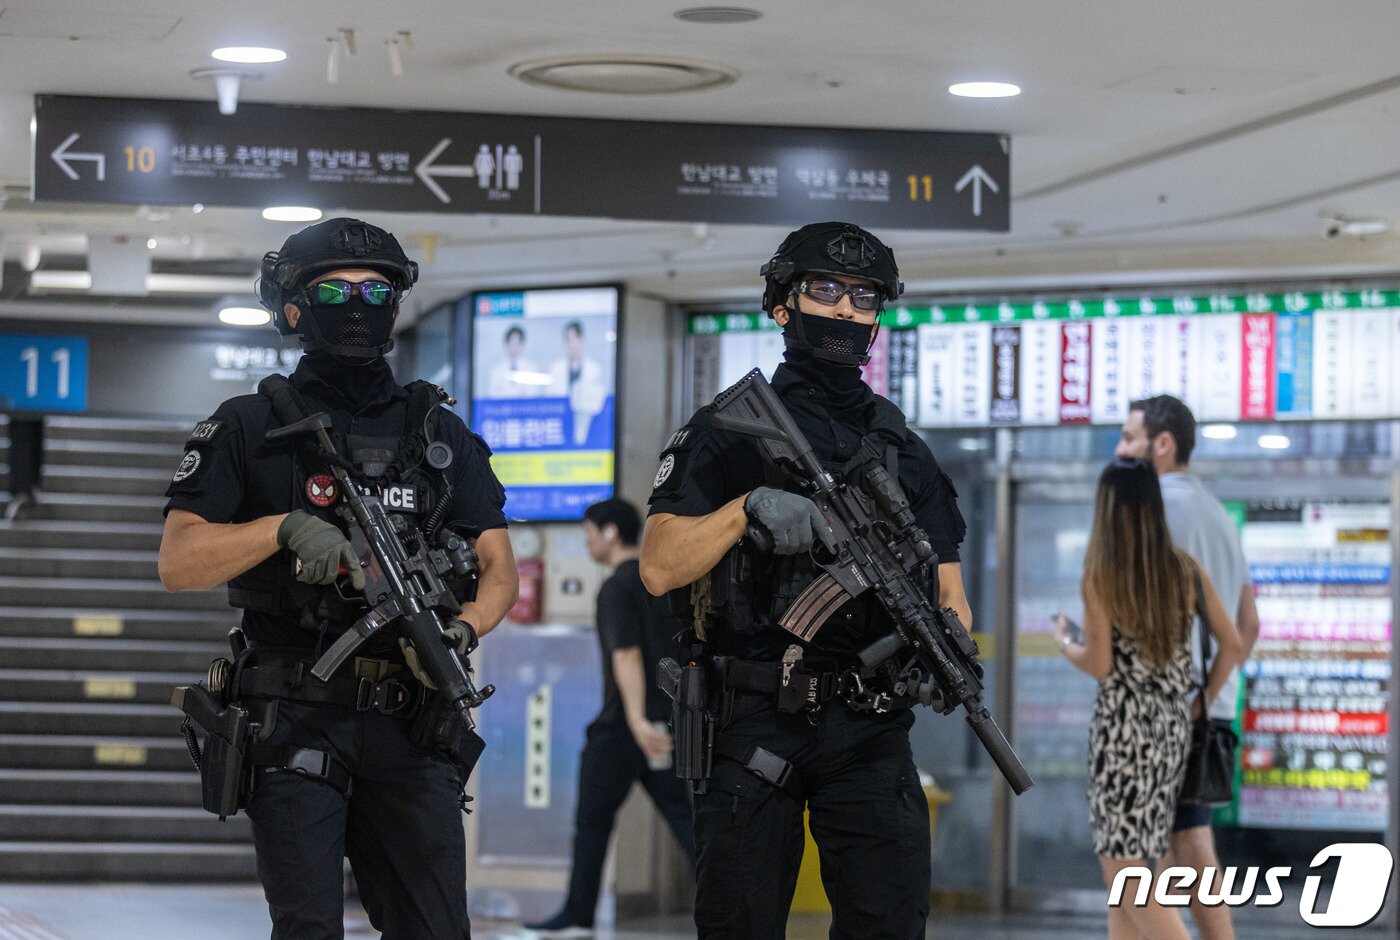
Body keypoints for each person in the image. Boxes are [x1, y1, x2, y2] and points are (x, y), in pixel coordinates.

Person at [158, 217, 519, 939]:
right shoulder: (245, 425)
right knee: (308, 928)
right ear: (292, 306)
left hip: (413, 722)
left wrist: (462, 626)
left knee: (438, 929)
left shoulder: (438, 434)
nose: (357, 303)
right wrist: (281, 528)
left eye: (375, 287)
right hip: (296, 714)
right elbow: (178, 562)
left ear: (396, 303)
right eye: (334, 288)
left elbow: (499, 567)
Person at [639, 221, 969, 939]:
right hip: (756, 717)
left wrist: (944, 652)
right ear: (782, 304)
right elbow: (660, 563)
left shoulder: (902, 450)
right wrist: (745, 509)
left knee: (890, 922)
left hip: (872, 726)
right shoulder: (731, 428)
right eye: (826, 291)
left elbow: (951, 592)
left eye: (864, 298)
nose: (846, 311)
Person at [1054, 458, 1243, 940]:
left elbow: (1100, 665)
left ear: (1108, 510)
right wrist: (1199, 704)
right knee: (1137, 872)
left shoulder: (1101, 575)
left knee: (1123, 873)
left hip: (1121, 731)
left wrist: (1064, 642)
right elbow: (1234, 644)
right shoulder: (1185, 568)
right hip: (1171, 729)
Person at [1116, 394, 1260, 940]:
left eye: (1129, 438)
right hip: (1208, 709)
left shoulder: (1160, 509)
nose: (1120, 448)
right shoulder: (1217, 513)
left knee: (1132, 854)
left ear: (1163, 443)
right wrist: (1212, 698)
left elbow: (1152, 616)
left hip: (1164, 706)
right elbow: (1249, 626)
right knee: (1191, 841)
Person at [525, 498, 696, 938]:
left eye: (588, 532)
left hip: (625, 728)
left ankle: (579, 917)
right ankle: (733, 905)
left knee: (592, 822)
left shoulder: (617, 588)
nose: (586, 541)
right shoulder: (662, 584)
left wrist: (637, 721)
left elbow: (626, 654)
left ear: (610, 533)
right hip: (670, 724)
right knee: (686, 819)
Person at [548, 321, 608, 446]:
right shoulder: (555, 369)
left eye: (575, 339)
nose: (572, 344)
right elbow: (550, 397)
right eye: (568, 340)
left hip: (588, 427)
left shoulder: (594, 369)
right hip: (560, 427)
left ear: (582, 340)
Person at [486, 325, 546, 398]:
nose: (514, 347)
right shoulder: (496, 370)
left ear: (522, 345)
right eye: (512, 343)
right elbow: (493, 396)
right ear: (506, 344)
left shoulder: (532, 369)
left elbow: (533, 394)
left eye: (517, 343)